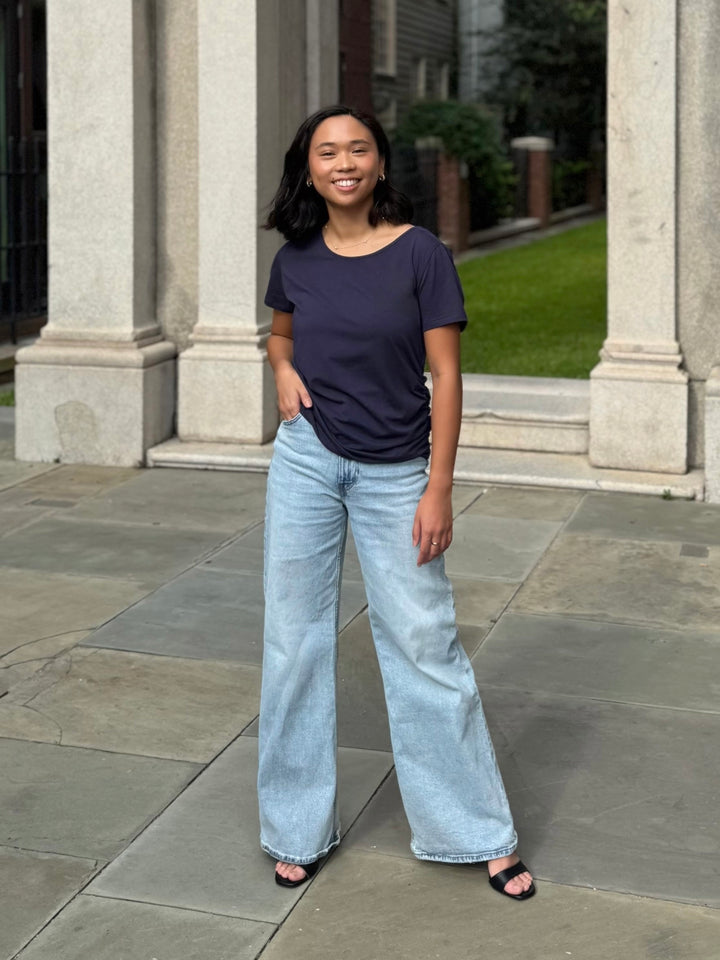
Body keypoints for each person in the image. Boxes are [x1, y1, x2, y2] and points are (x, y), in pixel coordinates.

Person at [257, 105, 535, 902]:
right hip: (307, 461)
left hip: (395, 474)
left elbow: (444, 375)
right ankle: (295, 830)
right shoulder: (297, 258)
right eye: (326, 152)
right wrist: (281, 368)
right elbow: (282, 335)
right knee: (294, 642)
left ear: (379, 163)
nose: (342, 162)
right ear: (308, 169)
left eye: (357, 149)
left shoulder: (420, 254)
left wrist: (438, 487)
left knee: (423, 644)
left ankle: (476, 831)